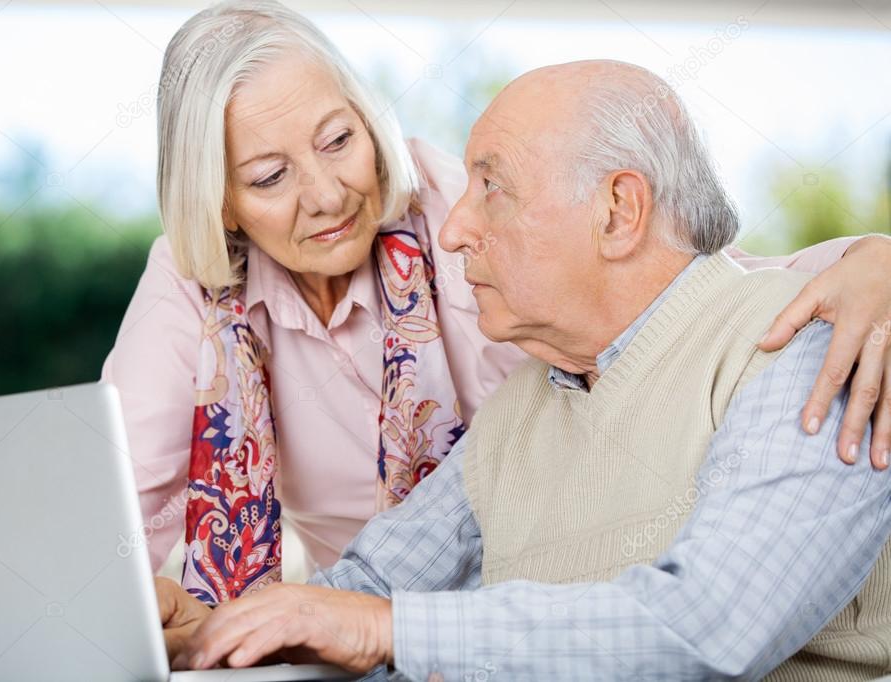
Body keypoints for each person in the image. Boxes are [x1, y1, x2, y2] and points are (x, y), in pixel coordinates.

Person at [103, 0, 891, 605]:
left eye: (339, 140)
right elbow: (117, 504)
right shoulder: (192, 288)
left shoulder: (459, 211)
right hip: (371, 624)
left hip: (570, 605)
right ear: (220, 203)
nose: (328, 193)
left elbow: (680, 281)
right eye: (270, 177)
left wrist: (867, 258)